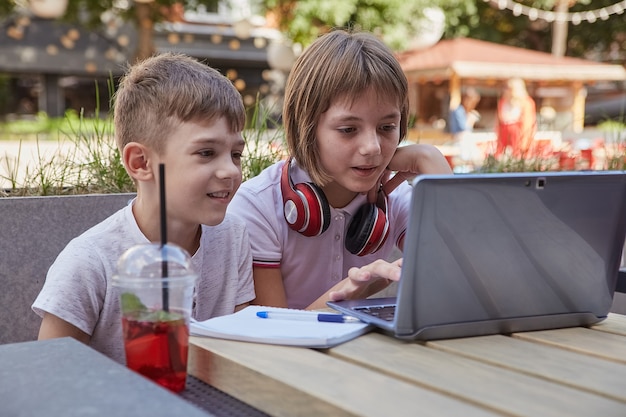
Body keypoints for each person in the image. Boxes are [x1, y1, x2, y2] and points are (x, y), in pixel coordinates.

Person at [32, 53, 255, 364]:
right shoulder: (90, 262)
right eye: (206, 152)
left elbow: (242, 351)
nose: (230, 170)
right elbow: (48, 373)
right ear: (141, 163)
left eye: (235, 154)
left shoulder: (233, 236)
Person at [228, 29, 453, 311]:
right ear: (307, 127)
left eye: (386, 127)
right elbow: (271, 336)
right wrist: (346, 294)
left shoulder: (396, 200)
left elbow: (467, 284)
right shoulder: (257, 205)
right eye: (348, 129)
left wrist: (435, 169)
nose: (372, 147)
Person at [495, 78, 537, 157]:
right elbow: (498, 121)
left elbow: (528, 123)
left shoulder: (526, 102)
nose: (506, 90)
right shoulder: (502, 102)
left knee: (518, 156)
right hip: (504, 133)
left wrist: (524, 142)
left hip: (518, 134)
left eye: (508, 88)